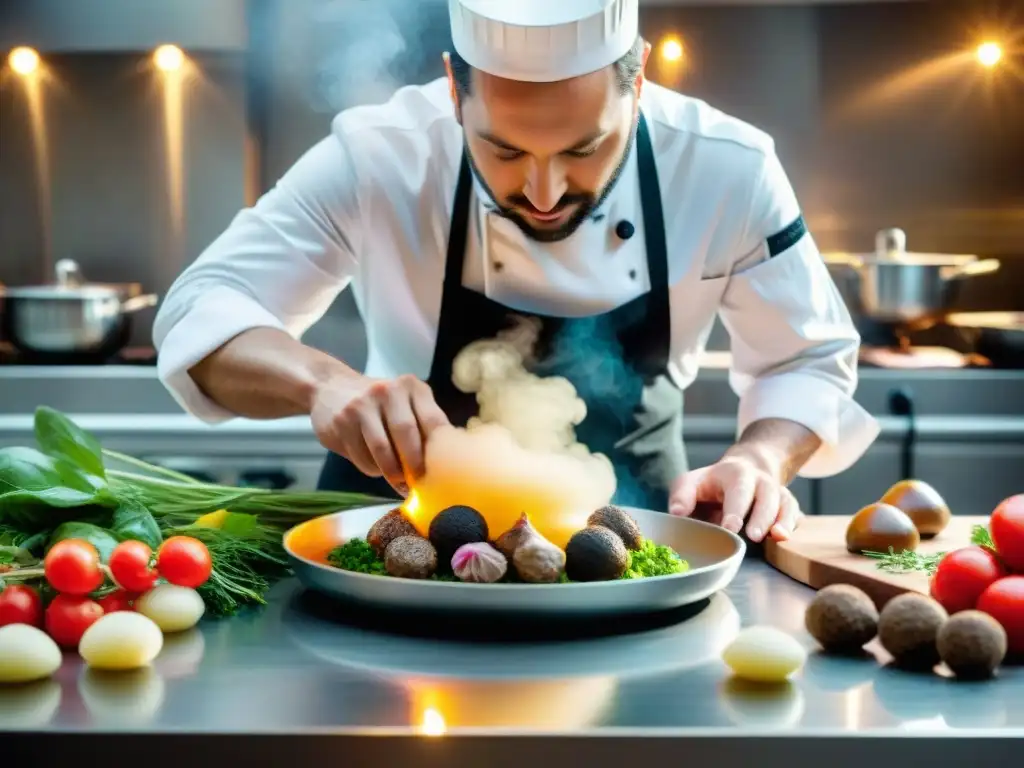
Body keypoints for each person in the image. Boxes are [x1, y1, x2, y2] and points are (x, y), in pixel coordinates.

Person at [153, 0, 879, 543]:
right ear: (452, 87)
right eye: (502, 151)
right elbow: (202, 309)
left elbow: (808, 358)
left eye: (584, 149)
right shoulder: (380, 157)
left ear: (640, 78)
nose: (542, 193)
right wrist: (322, 383)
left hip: (634, 546)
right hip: (400, 540)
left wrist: (760, 457)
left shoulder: (728, 168)